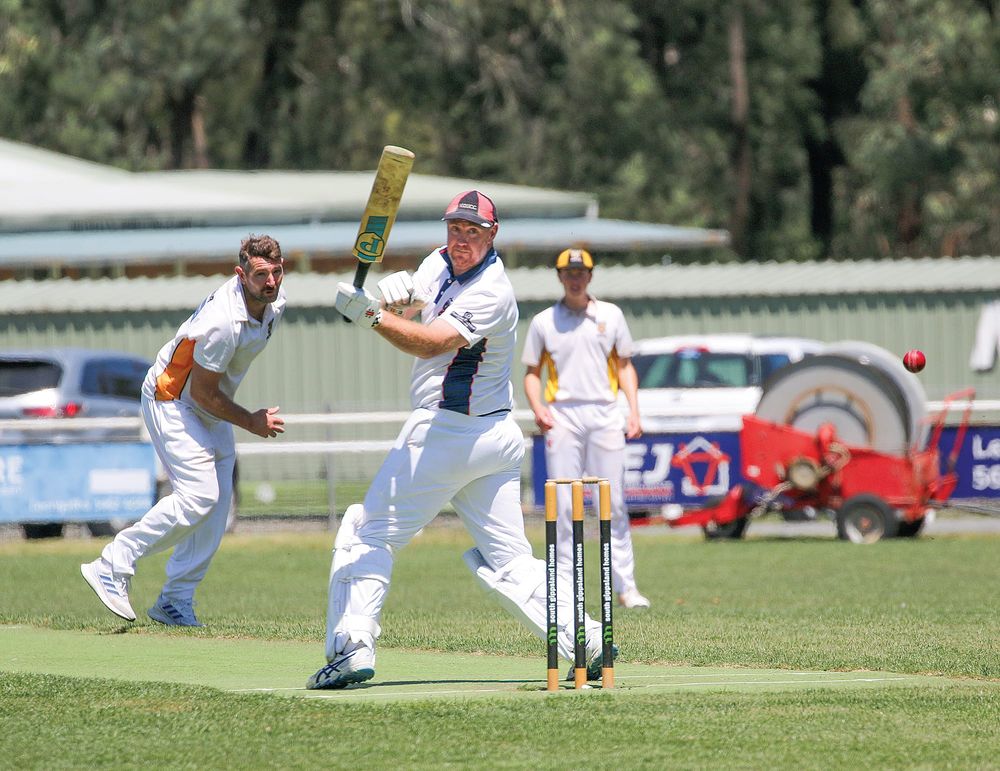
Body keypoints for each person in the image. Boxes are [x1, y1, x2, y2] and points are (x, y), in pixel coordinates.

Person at [308, 190, 610, 690]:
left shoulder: (493, 291)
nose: (462, 240)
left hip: (448, 432)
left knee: (367, 532)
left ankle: (351, 646)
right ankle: (588, 640)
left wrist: (371, 316)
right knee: (509, 559)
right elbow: (415, 300)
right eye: (455, 229)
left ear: (493, 235)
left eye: (473, 232)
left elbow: (431, 343)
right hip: (492, 439)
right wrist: (387, 296)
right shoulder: (441, 261)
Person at [80, 234, 287, 626]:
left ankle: (175, 600)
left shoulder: (274, 303)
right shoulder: (222, 323)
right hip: (171, 399)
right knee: (199, 496)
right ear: (241, 274)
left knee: (217, 505)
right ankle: (112, 563)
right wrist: (251, 421)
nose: (271, 282)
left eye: (277, 272)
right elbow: (205, 394)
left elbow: (210, 393)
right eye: (261, 274)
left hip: (207, 402)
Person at [521, 248, 650, 609]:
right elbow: (531, 373)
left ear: (590, 276)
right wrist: (539, 408)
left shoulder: (611, 315)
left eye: (581, 273)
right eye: (569, 273)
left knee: (614, 501)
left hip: (605, 411)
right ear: (560, 277)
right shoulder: (544, 322)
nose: (575, 279)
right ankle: (565, 587)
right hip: (563, 413)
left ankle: (625, 587)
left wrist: (634, 411)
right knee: (563, 503)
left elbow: (624, 366)